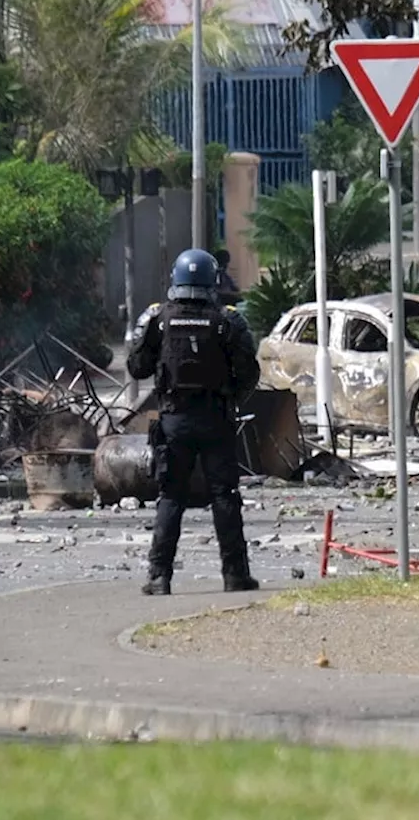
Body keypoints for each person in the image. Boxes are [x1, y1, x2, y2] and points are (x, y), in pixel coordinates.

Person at [126, 248, 261, 596]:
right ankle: (235, 576)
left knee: (171, 497)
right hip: (216, 419)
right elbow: (249, 372)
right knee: (225, 496)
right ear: (212, 280)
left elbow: (136, 367)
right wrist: (231, 399)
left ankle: (159, 577)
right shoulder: (227, 319)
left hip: (174, 420)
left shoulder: (158, 318)